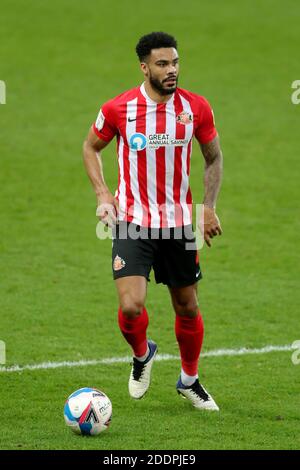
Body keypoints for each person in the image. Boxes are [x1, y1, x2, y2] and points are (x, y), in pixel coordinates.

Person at [83, 32, 223, 411]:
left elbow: (213, 157)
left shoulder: (196, 107)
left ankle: (189, 380)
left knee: (187, 306)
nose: (172, 70)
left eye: (175, 62)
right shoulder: (119, 108)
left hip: (179, 224)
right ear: (144, 67)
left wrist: (208, 206)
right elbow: (90, 147)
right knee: (131, 306)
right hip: (132, 220)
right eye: (162, 64)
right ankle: (142, 354)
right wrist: (102, 194)